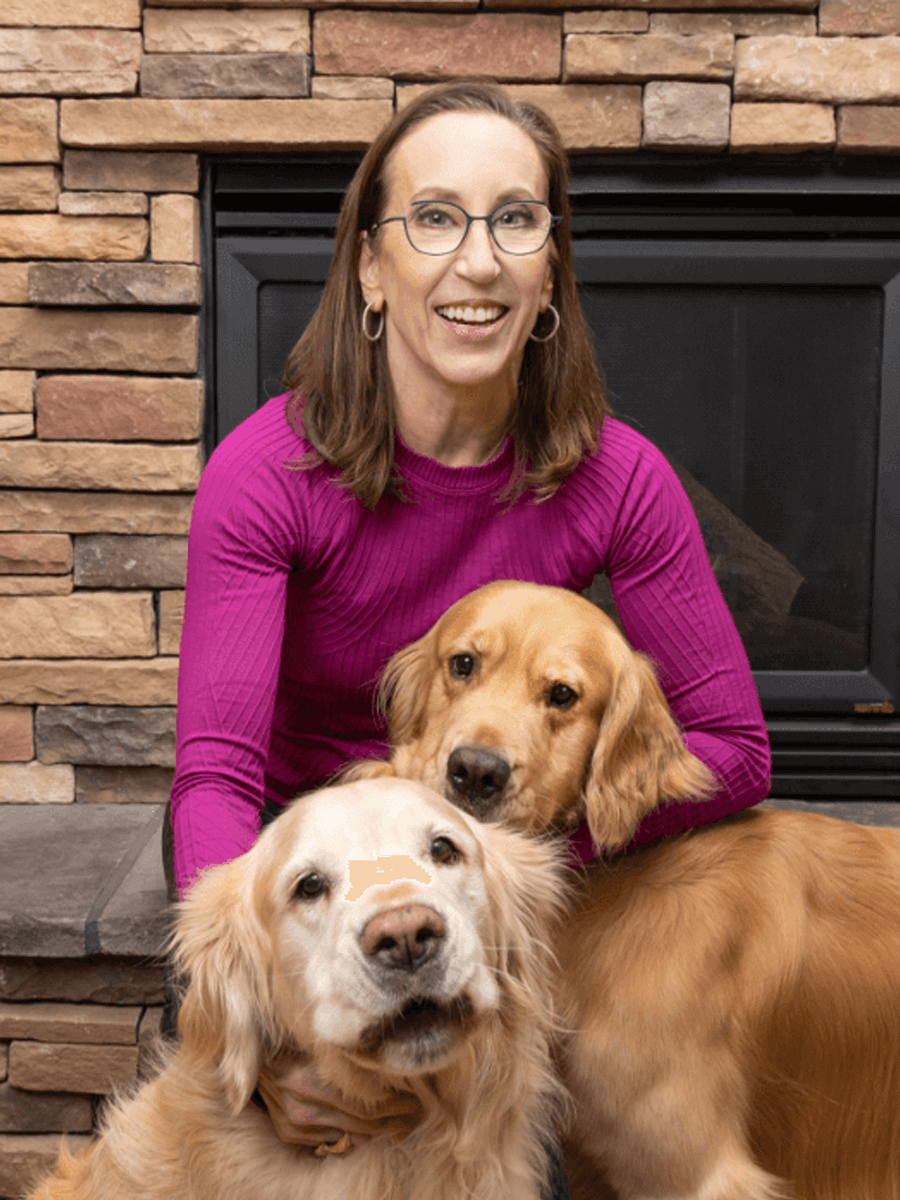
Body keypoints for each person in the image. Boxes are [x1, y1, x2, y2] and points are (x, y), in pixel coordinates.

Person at [165, 80, 771, 1196]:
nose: (478, 261)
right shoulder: (263, 478)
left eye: (515, 220)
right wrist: (280, 1018)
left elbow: (734, 745)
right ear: (369, 269)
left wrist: (524, 871)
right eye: (435, 218)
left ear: (549, 273)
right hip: (331, 891)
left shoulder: (620, 474)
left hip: (497, 881)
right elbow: (214, 773)